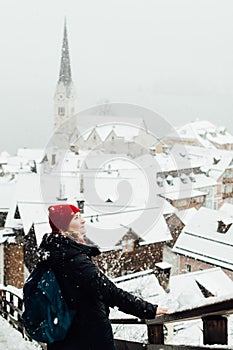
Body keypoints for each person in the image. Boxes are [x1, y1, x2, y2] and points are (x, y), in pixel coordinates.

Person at [39, 204, 167, 350]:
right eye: (76, 217)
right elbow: (110, 292)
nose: (83, 221)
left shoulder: (52, 252)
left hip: (65, 336)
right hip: (86, 337)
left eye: (80, 216)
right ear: (63, 228)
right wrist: (148, 309)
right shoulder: (73, 259)